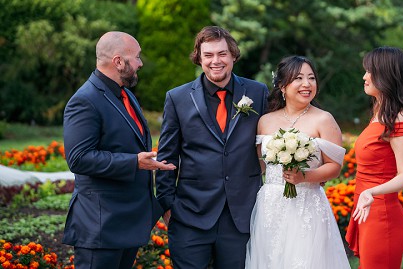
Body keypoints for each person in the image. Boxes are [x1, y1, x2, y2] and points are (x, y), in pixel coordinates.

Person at [155, 26, 269, 269]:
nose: (215, 61)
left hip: (242, 215)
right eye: (208, 55)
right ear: (199, 58)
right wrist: (167, 204)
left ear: (233, 56)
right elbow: (167, 155)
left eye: (222, 54)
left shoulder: (258, 92)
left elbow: (274, 138)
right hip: (190, 215)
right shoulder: (178, 97)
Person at [62, 31, 176, 269]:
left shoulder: (125, 94)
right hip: (100, 226)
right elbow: (78, 158)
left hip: (125, 223)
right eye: (136, 57)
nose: (140, 63)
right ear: (118, 61)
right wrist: (134, 162)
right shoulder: (84, 100)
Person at [245, 55, 350, 268]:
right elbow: (260, 164)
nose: (307, 84)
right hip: (271, 204)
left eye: (311, 78)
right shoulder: (265, 121)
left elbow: (334, 167)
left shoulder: (324, 119)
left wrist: (305, 176)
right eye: (299, 78)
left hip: (307, 204)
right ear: (282, 86)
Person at [345, 46, 403, 268]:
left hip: (382, 217)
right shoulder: (383, 114)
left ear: (387, 75)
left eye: (370, 71)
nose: (364, 76)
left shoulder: (397, 119)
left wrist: (373, 190)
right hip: (371, 211)